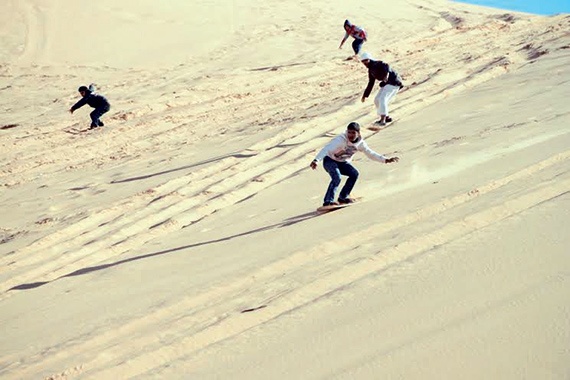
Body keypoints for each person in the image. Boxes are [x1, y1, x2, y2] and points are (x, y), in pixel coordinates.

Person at [310, 121, 399, 206]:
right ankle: (328, 201)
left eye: (353, 133)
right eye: (349, 132)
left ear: (358, 133)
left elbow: (370, 154)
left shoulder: (361, 144)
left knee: (354, 174)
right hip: (330, 160)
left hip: (343, 163)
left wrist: (385, 160)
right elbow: (327, 148)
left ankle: (343, 197)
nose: (350, 135)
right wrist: (316, 160)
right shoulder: (340, 140)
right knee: (337, 177)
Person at [359, 52, 403, 126]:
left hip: (394, 82)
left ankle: (383, 120)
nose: (365, 62)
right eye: (363, 61)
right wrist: (365, 95)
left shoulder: (378, 63)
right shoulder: (370, 70)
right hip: (387, 84)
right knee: (377, 100)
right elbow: (371, 83)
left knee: (383, 99)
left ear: (369, 59)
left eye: (366, 60)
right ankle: (386, 117)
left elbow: (387, 66)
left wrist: (386, 76)